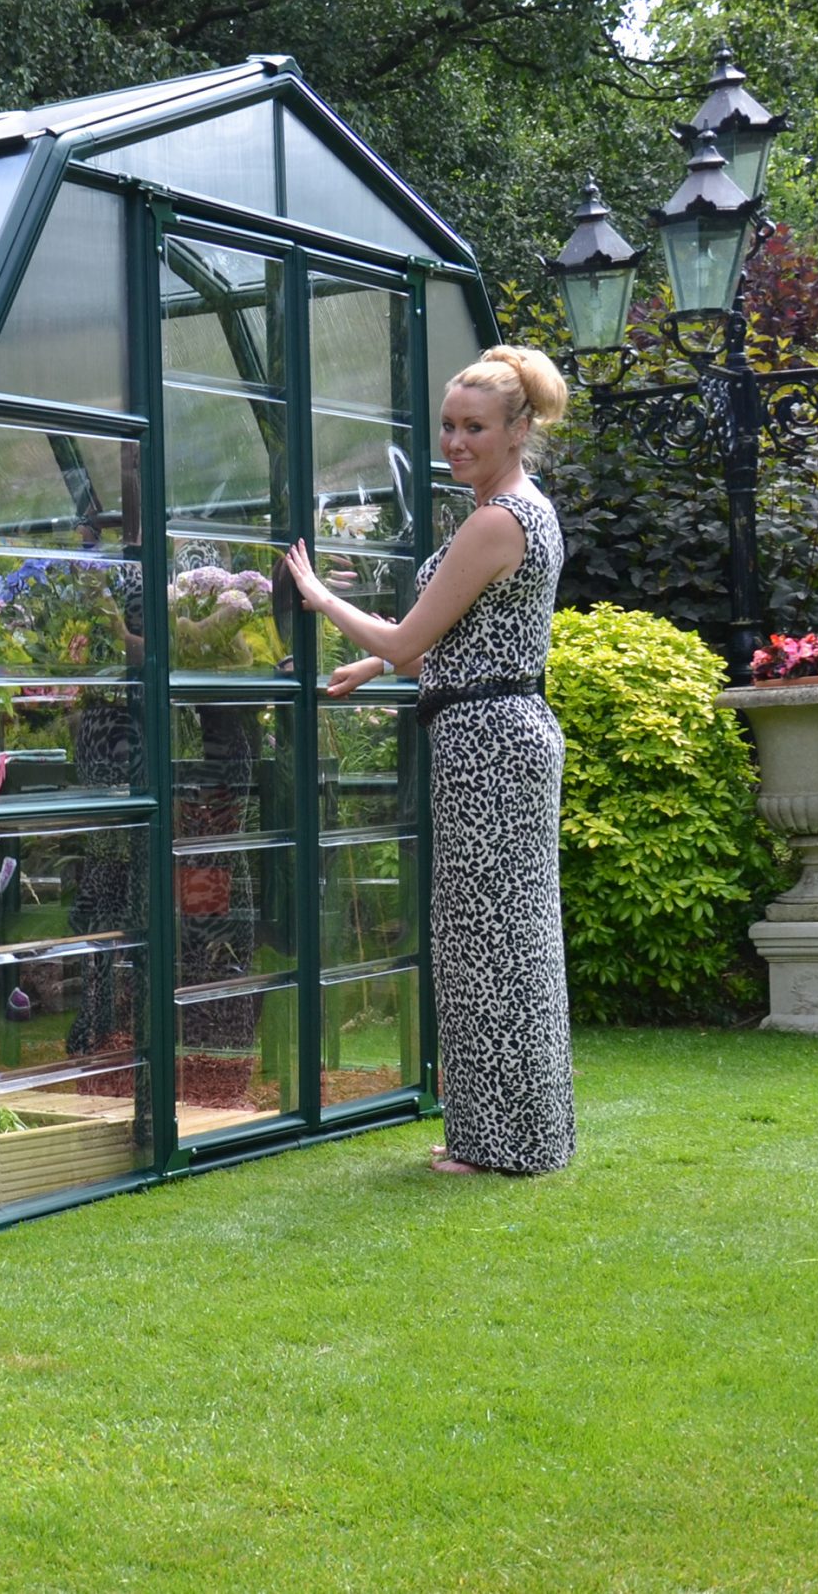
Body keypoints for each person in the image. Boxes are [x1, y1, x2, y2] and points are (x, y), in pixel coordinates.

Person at [280, 343, 575, 1176]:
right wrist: (373, 662)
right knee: (504, 938)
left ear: (519, 429)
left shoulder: (494, 520)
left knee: (487, 942)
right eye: (448, 425)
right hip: (499, 731)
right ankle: (518, 1132)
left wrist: (324, 598)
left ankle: (500, 1143)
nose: (456, 440)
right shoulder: (524, 509)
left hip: (488, 744)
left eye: (475, 426)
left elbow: (414, 637)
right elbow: (449, 637)